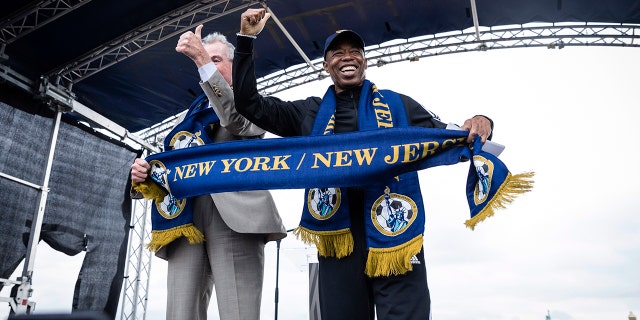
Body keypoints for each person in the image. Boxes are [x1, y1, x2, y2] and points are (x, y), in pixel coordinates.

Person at [232, 8, 493, 320]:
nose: (348, 57)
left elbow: (453, 135)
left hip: (396, 233)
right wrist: (246, 40)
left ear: (365, 60)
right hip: (338, 240)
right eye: (338, 53)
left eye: (355, 51)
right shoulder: (309, 114)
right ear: (326, 65)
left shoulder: (399, 105)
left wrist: (483, 121)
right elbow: (249, 103)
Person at [130, 25, 286, 320]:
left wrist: (202, 59)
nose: (206, 62)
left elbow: (237, 122)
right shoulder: (192, 115)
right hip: (185, 215)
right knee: (180, 313)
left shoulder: (252, 100)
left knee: (238, 313)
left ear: (233, 65)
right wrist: (146, 173)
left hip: (235, 216)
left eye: (216, 59)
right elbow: (175, 162)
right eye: (205, 58)